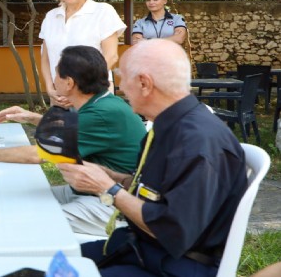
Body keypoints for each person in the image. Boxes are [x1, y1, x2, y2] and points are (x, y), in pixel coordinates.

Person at [58, 39, 247, 277]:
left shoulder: (198, 141)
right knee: (43, 261)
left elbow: (172, 229)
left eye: (122, 77)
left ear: (144, 83)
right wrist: (114, 177)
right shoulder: (170, 125)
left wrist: (108, 189)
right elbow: (158, 193)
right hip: (140, 249)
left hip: (174, 266)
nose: (121, 87)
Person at [0, 45, 146, 235]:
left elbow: (37, 155)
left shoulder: (101, 114)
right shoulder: (103, 102)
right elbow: (72, 128)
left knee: (26, 222)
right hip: (93, 192)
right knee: (12, 201)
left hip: (114, 204)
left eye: (56, 74)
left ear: (69, 83)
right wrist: (32, 117)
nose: (53, 80)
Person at [40, 0, 126, 107]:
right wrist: (50, 88)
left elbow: (110, 56)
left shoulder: (103, 11)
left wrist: (79, 92)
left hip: (93, 95)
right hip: (60, 97)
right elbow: (45, 58)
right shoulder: (51, 16)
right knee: (61, 130)